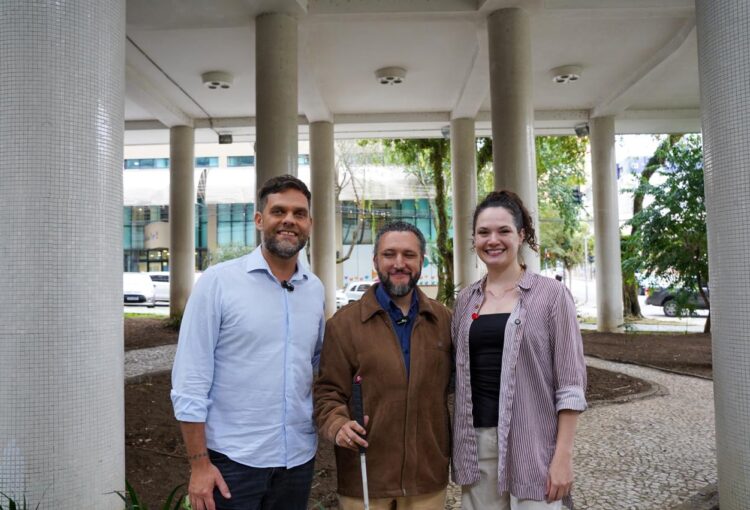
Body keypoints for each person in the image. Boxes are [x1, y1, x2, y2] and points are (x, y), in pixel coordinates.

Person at [171, 174, 325, 510]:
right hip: (232, 463)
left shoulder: (314, 290)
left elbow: (315, 366)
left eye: (299, 213)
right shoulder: (218, 283)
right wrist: (199, 465)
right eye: (278, 211)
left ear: (310, 224)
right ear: (259, 220)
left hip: (297, 461)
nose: (289, 220)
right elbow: (189, 380)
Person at [452, 190, 587, 510]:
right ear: (474, 239)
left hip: (534, 445)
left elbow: (571, 385)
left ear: (521, 235)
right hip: (478, 445)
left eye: (504, 231)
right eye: (483, 232)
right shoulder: (466, 301)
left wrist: (563, 457)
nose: (493, 240)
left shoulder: (552, 296)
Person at [314, 221, 452, 510]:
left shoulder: (445, 322)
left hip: (427, 479)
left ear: (422, 261)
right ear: (376, 260)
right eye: (389, 254)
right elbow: (327, 392)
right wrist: (338, 425)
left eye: (409, 255)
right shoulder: (343, 325)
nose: (399, 263)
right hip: (365, 479)